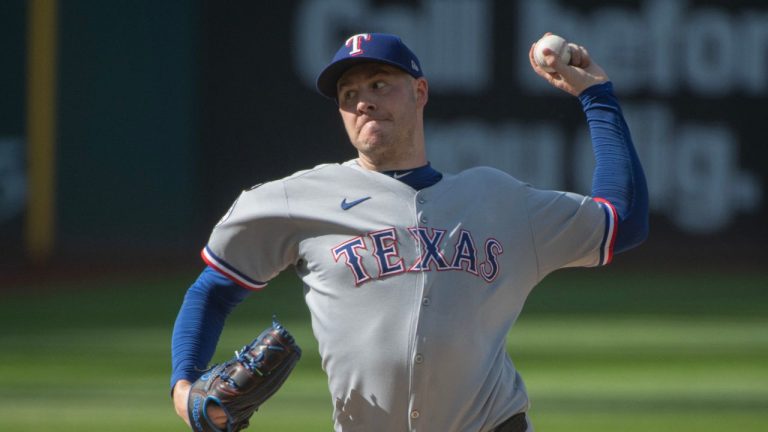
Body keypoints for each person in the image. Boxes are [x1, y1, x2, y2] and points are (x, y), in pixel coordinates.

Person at [171, 32, 648, 432]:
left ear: (420, 92)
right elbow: (212, 291)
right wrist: (184, 388)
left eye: (380, 84)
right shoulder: (296, 200)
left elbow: (621, 221)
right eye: (349, 95)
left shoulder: (499, 200)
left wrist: (596, 94)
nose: (364, 102)